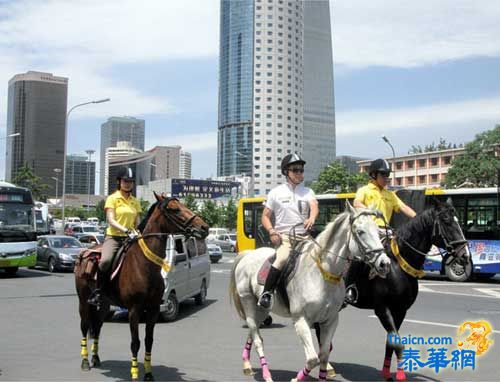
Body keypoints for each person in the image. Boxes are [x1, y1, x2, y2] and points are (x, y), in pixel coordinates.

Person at [344, 158, 416, 304]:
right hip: (370, 231)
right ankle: (349, 288)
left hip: (386, 231)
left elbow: (404, 208)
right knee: (359, 258)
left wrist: (419, 218)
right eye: (383, 175)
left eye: (387, 175)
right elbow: (356, 203)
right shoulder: (364, 190)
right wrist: (371, 211)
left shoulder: (390, 195)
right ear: (374, 175)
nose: (386, 178)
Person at [258, 153, 319, 309]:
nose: (300, 173)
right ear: (286, 172)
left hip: (305, 237)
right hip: (285, 237)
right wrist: (272, 231)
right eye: (296, 170)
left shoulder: (308, 192)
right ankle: (267, 293)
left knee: (325, 255)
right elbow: (265, 216)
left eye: (301, 170)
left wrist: (311, 218)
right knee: (282, 258)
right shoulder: (275, 193)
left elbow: (314, 207)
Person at [87, 166, 142, 308]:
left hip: (131, 238)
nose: (128, 183)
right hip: (114, 238)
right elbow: (111, 220)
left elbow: (137, 221)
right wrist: (125, 229)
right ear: (119, 181)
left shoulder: (135, 201)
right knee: (105, 261)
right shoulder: (112, 199)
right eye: (125, 181)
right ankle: (98, 292)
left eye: (131, 181)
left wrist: (138, 232)